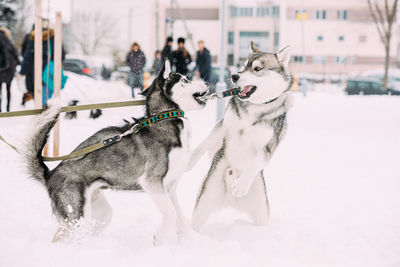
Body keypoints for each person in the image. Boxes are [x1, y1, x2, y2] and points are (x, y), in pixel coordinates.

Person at [20, 26, 66, 106]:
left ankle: (41, 111)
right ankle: (45, 111)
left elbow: (27, 56)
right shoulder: (53, 39)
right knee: (47, 97)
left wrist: (22, 72)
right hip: (49, 72)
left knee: (38, 98)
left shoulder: (34, 39)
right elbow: (62, 55)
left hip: (34, 72)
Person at [0, 27, 19, 112]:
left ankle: (0, 107)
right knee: (8, 89)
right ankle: (8, 107)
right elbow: (15, 55)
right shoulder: (8, 43)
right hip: (8, 70)